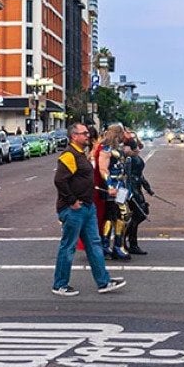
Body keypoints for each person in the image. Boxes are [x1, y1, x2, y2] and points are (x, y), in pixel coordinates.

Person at [51, 123, 126, 297]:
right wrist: (72, 201)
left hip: (87, 206)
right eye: (84, 133)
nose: (87, 135)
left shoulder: (80, 154)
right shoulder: (69, 155)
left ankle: (103, 282)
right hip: (74, 209)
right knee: (68, 247)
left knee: (94, 244)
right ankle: (60, 284)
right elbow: (59, 180)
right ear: (74, 136)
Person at [95, 125, 131, 260]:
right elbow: (103, 169)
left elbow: (135, 149)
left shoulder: (118, 148)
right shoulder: (106, 149)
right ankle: (110, 246)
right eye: (122, 132)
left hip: (121, 186)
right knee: (115, 215)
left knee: (119, 216)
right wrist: (110, 186)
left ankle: (115, 245)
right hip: (113, 187)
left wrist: (131, 139)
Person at [122, 138, 154, 256]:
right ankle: (130, 243)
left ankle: (127, 240)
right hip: (131, 190)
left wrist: (147, 188)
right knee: (138, 214)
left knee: (141, 213)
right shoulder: (128, 159)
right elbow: (127, 176)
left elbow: (140, 175)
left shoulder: (134, 158)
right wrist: (130, 193)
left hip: (136, 188)